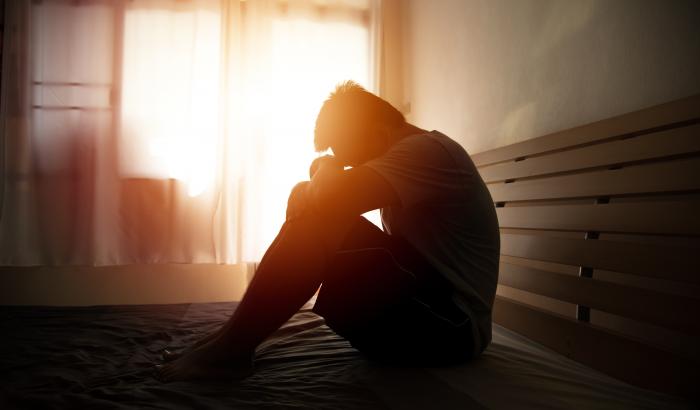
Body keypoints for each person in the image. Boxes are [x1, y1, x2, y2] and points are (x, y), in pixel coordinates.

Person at [155, 81, 500, 381]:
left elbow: (331, 198)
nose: (352, 167)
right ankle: (231, 339)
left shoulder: (427, 152)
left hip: (452, 330)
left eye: (351, 159)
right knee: (323, 206)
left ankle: (231, 348)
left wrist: (324, 168)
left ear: (378, 133)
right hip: (430, 312)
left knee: (327, 211)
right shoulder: (415, 157)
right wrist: (315, 187)